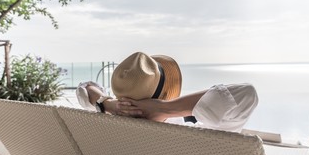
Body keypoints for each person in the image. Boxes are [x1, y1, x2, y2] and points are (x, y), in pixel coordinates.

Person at [76, 52, 258, 133]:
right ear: (164, 96)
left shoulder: (108, 126)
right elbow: (245, 94)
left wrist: (108, 104)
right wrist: (165, 108)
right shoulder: (188, 137)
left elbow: (85, 88)